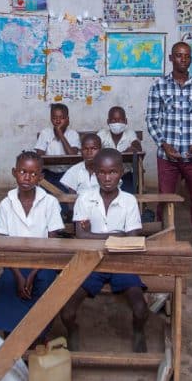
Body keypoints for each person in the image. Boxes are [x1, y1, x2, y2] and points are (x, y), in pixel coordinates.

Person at [61, 149, 148, 352]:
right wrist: (118, 235)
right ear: (95, 172)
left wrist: (95, 235)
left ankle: (138, 331)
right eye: (102, 172)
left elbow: (133, 239)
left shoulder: (129, 201)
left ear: (121, 173)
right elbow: (81, 238)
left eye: (113, 172)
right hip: (91, 262)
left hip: (122, 262)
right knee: (66, 312)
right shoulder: (84, 198)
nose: (107, 178)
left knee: (141, 309)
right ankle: (73, 330)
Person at [146, 41, 192, 258]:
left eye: (186, 56)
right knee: (165, 198)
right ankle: (162, 239)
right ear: (170, 58)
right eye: (178, 56)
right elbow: (151, 118)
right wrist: (163, 144)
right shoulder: (158, 86)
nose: (182, 60)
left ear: (190, 60)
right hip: (167, 156)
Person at [0, 151, 64, 338]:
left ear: (41, 177)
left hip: (44, 262)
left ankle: (37, 336)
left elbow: (52, 243)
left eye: (33, 173)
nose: (27, 177)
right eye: (23, 172)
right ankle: (10, 335)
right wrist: (19, 275)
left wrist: (33, 272)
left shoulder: (50, 202)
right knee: (7, 284)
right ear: (14, 172)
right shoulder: (6, 204)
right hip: (14, 263)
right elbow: (2, 244)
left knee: (45, 284)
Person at [34, 103, 81, 194]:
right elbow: (39, 157)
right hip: (48, 173)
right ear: (51, 119)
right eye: (55, 118)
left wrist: (60, 134)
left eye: (62, 118)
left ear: (67, 119)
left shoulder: (73, 134)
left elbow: (72, 156)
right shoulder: (45, 133)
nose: (58, 121)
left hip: (67, 173)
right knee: (47, 197)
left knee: (63, 202)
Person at [97, 106, 141, 194]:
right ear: (108, 122)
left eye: (120, 120)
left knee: (129, 194)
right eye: (113, 120)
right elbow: (95, 149)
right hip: (106, 175)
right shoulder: (102, 134)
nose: (117, 123)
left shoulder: (130, 133)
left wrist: (134, 147)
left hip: (125, 174)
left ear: (126, 121)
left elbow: (138, 147)